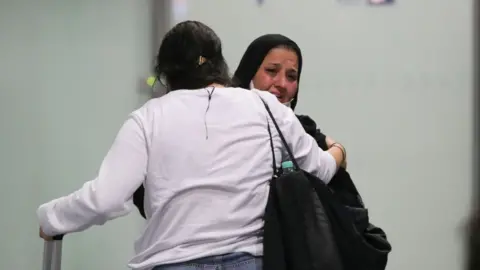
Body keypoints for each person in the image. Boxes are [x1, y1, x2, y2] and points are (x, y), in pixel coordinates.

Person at [37, 21, 347, 270]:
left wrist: (52, 218)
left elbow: (105, 199)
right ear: (220, 63)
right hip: (249, 260)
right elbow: (319, 168)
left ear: (167, 72)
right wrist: (340, 152)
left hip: (170, 260)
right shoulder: (265, 107)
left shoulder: (148, 118)